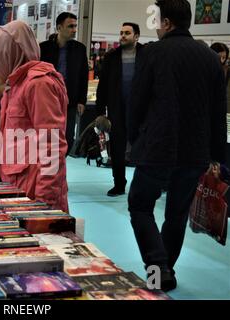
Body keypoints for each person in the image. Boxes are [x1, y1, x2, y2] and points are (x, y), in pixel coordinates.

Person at [127, 0, 227, 292]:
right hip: (195, 151)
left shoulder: (153, 53)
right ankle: (163, 272)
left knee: (140, 206)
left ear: (167, 22)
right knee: (177, 213)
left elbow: (138, 101)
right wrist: (217, 156)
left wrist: (135, 139)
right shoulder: (210, 58)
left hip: (157, 146)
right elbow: (218, 112)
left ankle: (157, 267)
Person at [0, 20, 69, 213]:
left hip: (33, 193)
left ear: (9, 54)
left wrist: (45, 204)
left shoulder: (39, 84)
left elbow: (52, 146)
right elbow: (16, 136)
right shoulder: (14, 85)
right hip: (16, 188)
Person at [95, 22, 144, 197]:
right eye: (121, 32)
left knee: (144, 149)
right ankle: (119, 184)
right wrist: (100, 111)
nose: (122, 36)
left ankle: (144, 186)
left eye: (127, 33)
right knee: (117, 149)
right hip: (117, 110)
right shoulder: (112, 57)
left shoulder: (146, 55)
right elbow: (103, 86)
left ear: (136, 36)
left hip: (141, 111)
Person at [40, 12, 89, 155]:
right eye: (70, 26)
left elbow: (83, 75)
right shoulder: (44, 48)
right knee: (48, 136)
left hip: (70, 101)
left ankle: (60, 166)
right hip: (47, 100)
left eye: (75, 26)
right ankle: (48, 169)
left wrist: (82, 100)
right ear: (59, 27)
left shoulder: (80, 49)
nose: (74, 29)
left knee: (67, 137)